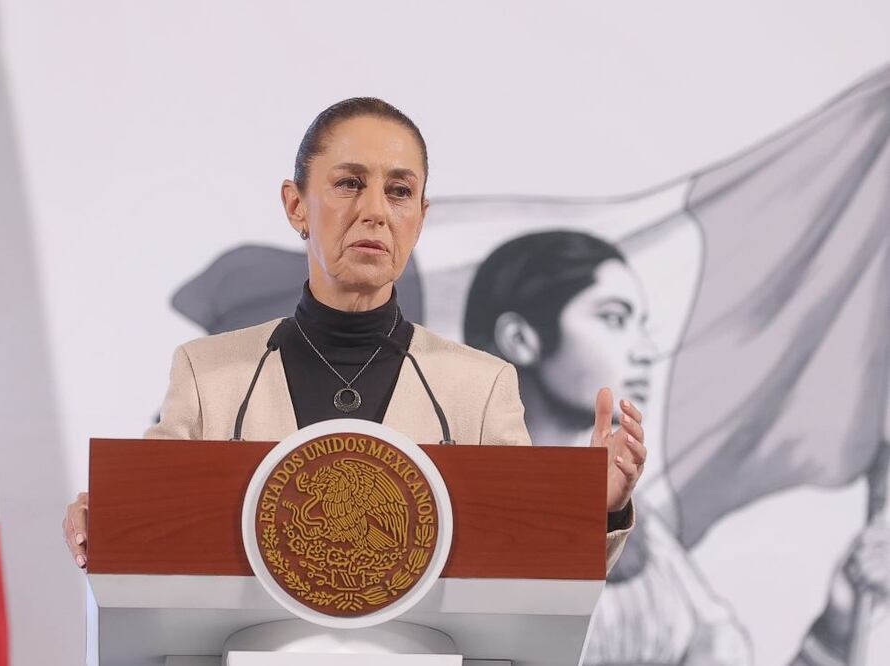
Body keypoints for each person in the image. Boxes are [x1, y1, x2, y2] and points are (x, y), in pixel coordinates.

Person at [62, 98, 646, 574]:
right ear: (296, 206)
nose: (375, 211)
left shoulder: (480, 387)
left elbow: (532, 566)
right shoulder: (208, 376)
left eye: (399, 191)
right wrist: (106, 521)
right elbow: (148, 526)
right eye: (348, 183)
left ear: (419, 217)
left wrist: (599, 511)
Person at [464, 230, 889, 665]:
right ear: (521, 339)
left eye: (642, 324)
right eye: (614, 318)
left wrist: (838, 619)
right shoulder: (449, 510)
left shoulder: (642, 529)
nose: (646, 350)